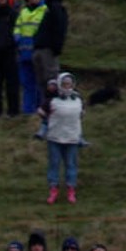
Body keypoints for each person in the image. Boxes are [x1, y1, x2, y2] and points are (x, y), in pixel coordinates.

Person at [44, 72, 83, 204]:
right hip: (54, 137)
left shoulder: (77, 99)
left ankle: (71, 190)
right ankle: (53, 190)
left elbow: (81, 114)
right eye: (64, 84)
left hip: (72, 138)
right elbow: (42, 111)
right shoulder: (53, 100)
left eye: (69, 84)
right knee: (54, 164)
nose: (67, 86)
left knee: (71, 164)